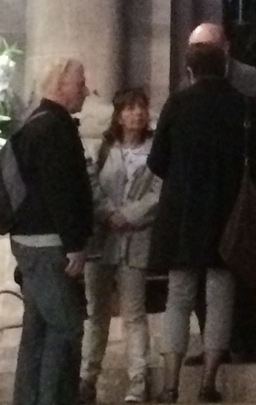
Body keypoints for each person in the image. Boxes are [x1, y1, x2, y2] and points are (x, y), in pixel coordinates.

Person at [148, 42, 256, 404]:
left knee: (179, 297)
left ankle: (170, 386)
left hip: (183, 214)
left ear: (190, 70)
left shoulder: (177, 103)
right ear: (225, 67)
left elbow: (156, 160)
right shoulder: (243, 105)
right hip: (227, 214)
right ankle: (208, 383)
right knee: (220, 298)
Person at [186, 22, 256, 363]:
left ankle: (244, 341)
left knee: (242, 266)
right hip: (202, 195)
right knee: (203, 273)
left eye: (205, 47)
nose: (198, 54)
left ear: (224, 48)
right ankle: (214, 345)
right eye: (195, 48)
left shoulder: (249, 79)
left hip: (240, 191)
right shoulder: (189, 83)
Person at [10, 57, 93, 405]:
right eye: (80, 83)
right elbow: (61, 191)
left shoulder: (32, 121)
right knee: (66, 327)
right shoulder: (56, 128)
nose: (86, 90)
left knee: (37, 329)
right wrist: (74, 244)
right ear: (61, 86)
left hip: (27, 241)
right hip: (49, 245)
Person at [79, 88, 162, 405]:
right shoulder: (103, 148)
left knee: (134, 314)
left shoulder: (155, 151)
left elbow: (159, 192)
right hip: (101, 240)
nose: (136, 113)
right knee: (96, 314)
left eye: (141, 107)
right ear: (118, 115)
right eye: (129, 108)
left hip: (135, 238)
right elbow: (91, 185)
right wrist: (108, 213)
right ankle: (87, 378)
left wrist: (128, 215)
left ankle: (138, 381)